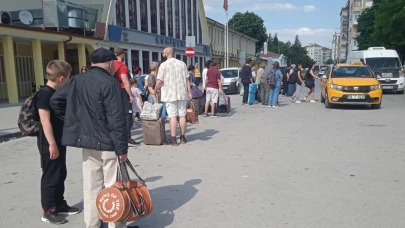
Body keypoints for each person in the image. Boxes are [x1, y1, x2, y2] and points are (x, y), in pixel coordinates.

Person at [50, 47, 133, 228]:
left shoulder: (76, 80)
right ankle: (115, 224)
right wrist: (122, 149)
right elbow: (116, 119)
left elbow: (55, 100)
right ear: (111, 63)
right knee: (114, 187)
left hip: (87, 142)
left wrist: (74, 120)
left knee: (91, 186)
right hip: (109, 143)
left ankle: (92, 224)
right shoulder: (110, 83)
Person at [36, 60, 80, 225]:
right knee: (50, 176)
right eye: (68, 77)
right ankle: (48, 210)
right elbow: (45, 121)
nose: (69, 80)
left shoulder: (55, 92)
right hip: (49, 142)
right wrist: (52, 144)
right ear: (62, 78)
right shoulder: (44, 94)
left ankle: (59, 203)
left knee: (60, 172)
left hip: (58, 140)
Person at [155, 47, 192, 146]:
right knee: (182, 115)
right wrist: (189, 92)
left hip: (170, 94)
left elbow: (159, 81)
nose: (163, 54)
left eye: (163, 53)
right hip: (182, 93)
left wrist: (155, 90)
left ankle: (173, 139)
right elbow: (187, 80)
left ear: (166, 53)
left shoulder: (163, 65)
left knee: (172, 117)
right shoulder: (182, 64)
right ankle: (183, 137)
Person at [114, 48, 139, 145]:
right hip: (122, 92)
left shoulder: (111, 65)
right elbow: (125, 82)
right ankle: (127, 137)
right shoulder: (122, 67)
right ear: (121, 55)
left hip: (113, 92)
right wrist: (131, 95)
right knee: (127, 115)